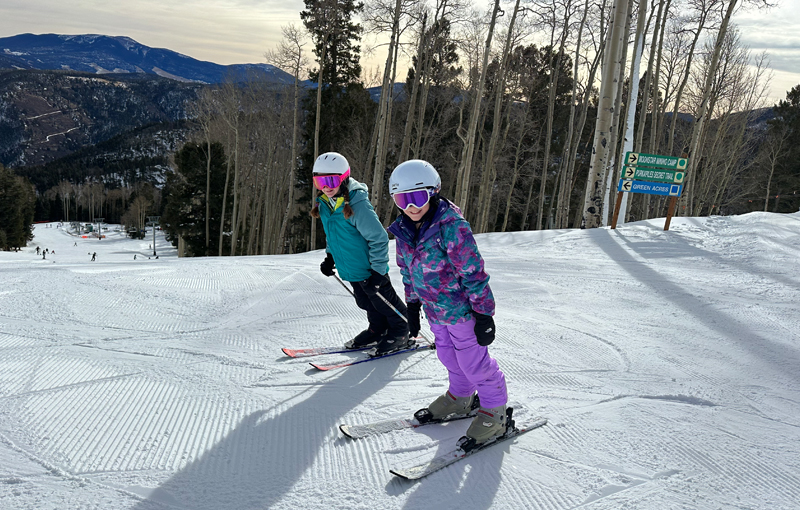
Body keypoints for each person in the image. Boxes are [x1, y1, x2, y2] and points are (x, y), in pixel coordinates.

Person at [387, 160, 508, 446]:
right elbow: (407, 270)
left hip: (462, 311)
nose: (411, 207)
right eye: (402, 199)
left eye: (418, 197)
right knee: (447, 356)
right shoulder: (404, 230)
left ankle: (495, 411)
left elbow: (472, 271)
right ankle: (461, 398)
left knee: (473, 362)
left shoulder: (452, 226)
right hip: (434, 310)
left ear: (434, 192)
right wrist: (413, 305)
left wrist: (483, 314)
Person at [311, 152, 411, 356]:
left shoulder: (357, 204)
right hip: (351, 268)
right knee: (366, 303)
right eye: (319, 181)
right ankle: (377, 329)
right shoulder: (324, 204)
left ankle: (402, 331)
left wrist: (377, 271)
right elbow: (333, 235)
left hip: (370, 269)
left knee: (386, 302)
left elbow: (379, 238)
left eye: (331, 180)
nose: (326, 186)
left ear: (344, 178)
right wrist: (331, 257)